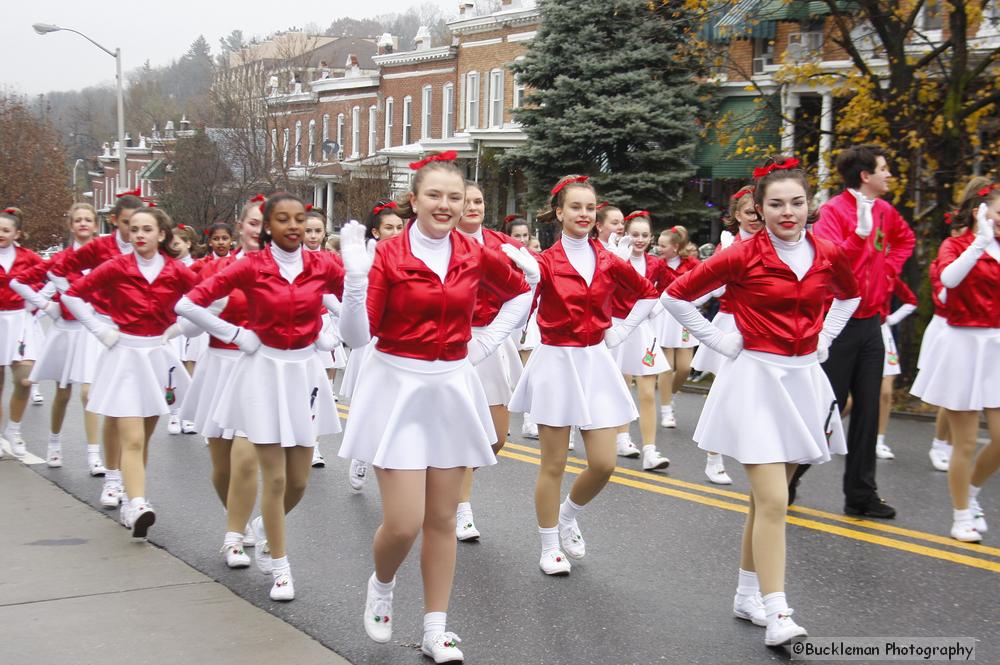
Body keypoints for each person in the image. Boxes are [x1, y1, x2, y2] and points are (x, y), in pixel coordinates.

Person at [337, 153, 534, 663]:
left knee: (442, 517)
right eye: (434, 196)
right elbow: (357, 337)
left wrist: (482, 345)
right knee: (403, 522)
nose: (445, 206)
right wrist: (355, 284)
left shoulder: (473, 251)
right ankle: (381, 583)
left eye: (455, 197)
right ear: (414, 199)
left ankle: (435, 628)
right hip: (396, 384)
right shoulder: (388, 254)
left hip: (450, 383)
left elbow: (520, 295)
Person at [663, 156, 859, 647]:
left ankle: (747, 594)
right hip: (756, 380)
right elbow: (676, 296)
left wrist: (826, 338)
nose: (787, 212)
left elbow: (850, 297)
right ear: (760, 208)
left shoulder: (829, 252)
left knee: (764, 501)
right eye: (776, 204)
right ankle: (778, 612)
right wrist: (721, 342)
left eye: (796, 202)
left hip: (803, 381)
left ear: (809, 205)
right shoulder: (743, 254)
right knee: (774, 500)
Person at [176, 192, 345, 601]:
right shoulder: (250, 266)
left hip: (304, 372)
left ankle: (259, 530)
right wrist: (236, 334)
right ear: (268, 226)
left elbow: (358, 309)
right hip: (262, 370)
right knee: (276, 477)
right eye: (282, 219)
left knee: (300, 482)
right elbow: (188, 303)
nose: (293, 226)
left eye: (299, 219)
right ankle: (280, 565)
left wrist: (330, 335)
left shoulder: (323, 265)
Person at [509, 175, 658, 577]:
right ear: (559, 212)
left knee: (605, 462)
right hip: (557, 362)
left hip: (595, 363)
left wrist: (620, 331)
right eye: (575, 207)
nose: (584, 215)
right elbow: (517, 307)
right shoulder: (544, 262)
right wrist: (527, 280)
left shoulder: (609, 259)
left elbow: (648, 293)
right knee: (553, 464)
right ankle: (548, 545)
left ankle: (569, 514)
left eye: (590, 208)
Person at [62, 206, 198, 539]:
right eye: (134, 229)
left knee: (144, 437)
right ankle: (137, 502)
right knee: (133, 438)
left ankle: (129, 499)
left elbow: (210, 302)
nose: (139, 235)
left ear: (161, 234)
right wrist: (100, 331)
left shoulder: (177, 271)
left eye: (146, 229)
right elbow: (73, 295)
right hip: (123, 353)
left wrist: (178, 330)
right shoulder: (115, 267)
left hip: (157, 356)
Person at [798, 144, 915, 518]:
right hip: (838, 322)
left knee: (868, 409)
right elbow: (831, 261)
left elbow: (905, 241)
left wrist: (887, 271)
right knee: (826, 406)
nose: (889, 175)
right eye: (884, 169)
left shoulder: (885, 211)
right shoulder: (834, 211)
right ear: (866, 175)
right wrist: (861, 237)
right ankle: (787, 475)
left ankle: (861, 495)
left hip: (871, 323)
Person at [911, 180, 999, 542]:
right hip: (963, 344)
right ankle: (960, 514)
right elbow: (948, 279)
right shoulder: (957, 245)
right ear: (982, 212)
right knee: (963, 442)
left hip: (996, 346)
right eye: (998, 213)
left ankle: (973, 493)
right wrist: (978, 243)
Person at [177, 200, 263, 566]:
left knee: (247, 460)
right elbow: (187, 324)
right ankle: (238, 522)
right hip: (220, 364)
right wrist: (215, 310)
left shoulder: (287, 268)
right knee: (223, 464)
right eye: (254, 223)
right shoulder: (217, 268)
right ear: (241, 225)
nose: (259, 230)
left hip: (260, 370)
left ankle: (233, 537)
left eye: (266, 223)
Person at [453, 180, 528, 541]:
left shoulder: (505, 245)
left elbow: (530, 292)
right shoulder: (443, 244)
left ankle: (452, 483)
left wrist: (534, 274)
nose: (473, 206)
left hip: (493, 341)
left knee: (496, 437)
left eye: (479, 200)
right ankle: (461, 508)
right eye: (466, 201)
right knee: (464, 431)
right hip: (454, 342)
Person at [9, 203, 104, 473]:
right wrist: (47, 306)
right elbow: (37, 284)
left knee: (89, 394)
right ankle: (54, 443)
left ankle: (94, 455)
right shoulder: (62, 259)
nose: (83, 224)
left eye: (88, 220)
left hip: (91, 332)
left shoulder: (104, 260)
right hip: (66, 330)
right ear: (71, 226)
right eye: (78, 220)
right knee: (63, 393)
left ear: (95, 225)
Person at [689, 185, 762, 484]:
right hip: (732, 323)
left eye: (759, 212)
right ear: (736, 215)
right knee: (724, 392)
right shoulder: (728, 245)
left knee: (758, 394)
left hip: (763, 326)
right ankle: (713, 456)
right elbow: (712, 290)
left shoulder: (772, 242)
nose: (755, 218)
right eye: (749, 213)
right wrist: (729, 256)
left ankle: (758, 453)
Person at [343, 200, 407, 493]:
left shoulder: (411, 254)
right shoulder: (366, 255)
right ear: (375, 232)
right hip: (371, 339)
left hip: (401, 340)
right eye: (389, 228)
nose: (395, 232)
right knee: (368, 403)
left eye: (399, 226)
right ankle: (360, 455)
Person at [607, 211, 672, 470]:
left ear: (651, 238)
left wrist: (658, 305)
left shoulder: (656, 264)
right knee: (621, 387)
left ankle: (650, 451)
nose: (640, 239)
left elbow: (674, 287)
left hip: (643, 330)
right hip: (618, 326)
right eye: (635, 234)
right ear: (625, 234)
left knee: (646, 391)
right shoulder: (615, 258)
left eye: (645, 235)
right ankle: (621, 437)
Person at [0, 209, 44, 458]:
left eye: (6, 230)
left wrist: (34, 299)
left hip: (19, 320)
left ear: (16, 234)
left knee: (25, 378)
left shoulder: (29, 257)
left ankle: (14, 430)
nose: (1, 234)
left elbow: (49, 277)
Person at [654, 225, 700, 429]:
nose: (658, 248)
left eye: (662, 245)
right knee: (666, 366)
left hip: (684, 316)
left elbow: (703, 283)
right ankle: (666, 410)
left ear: (675, 246)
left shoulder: (692, 264)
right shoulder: (657, 264)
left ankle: (669, 395)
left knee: (684, 367)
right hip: (664, 315)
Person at [873, 277, 918, 459]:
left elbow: (911, 300)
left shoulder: (888, 272)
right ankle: (832, 429)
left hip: (882, 333)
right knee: (849, 399)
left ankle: (878, 440)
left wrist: (891, 319)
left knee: (885, 392)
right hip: (853, 330)